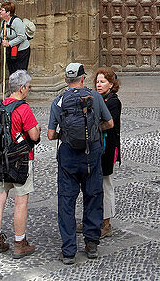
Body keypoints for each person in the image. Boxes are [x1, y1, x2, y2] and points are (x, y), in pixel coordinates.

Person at [48, 63, 113, 265]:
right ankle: (92, 244)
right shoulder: (95, 97)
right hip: (91, 153)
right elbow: (110, 124)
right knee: (93, 196)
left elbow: (50, 135)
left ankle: (68, 251)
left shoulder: (58, 101)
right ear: (83, 78)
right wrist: (92, 132)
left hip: (68, 154)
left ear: (66, 80)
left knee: (66, 202)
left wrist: (65, 134)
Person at [0, 69, 40, 258]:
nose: (29, 90)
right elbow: (34, 135)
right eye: (28, 87)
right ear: (22, 87)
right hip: (20, 161)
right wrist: (37, 129)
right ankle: (20, 243)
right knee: (20, 202)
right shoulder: (23, 108)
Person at [94, 68, 121, 237]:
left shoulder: (113, 102)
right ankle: (92, 219)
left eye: (102, 82)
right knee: (92, 185)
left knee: (105, 184)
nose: (99, 84)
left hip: (107, 148)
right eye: (97, 81)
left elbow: (109, 123)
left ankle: (106, 223)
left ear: (111, 84)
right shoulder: (97, 98)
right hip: (96, 147)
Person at [0, 1, 31, 77]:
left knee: (20, 74)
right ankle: (15, 88)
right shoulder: (3, 22)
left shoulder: (16, 22)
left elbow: (22, 37)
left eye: (2, 10)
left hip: (21, 51)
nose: (0, 11)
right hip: (11, 51)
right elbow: (3, 36)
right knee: (12, 73)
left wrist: (9, 43)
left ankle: (22, 88)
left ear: (8, 13)